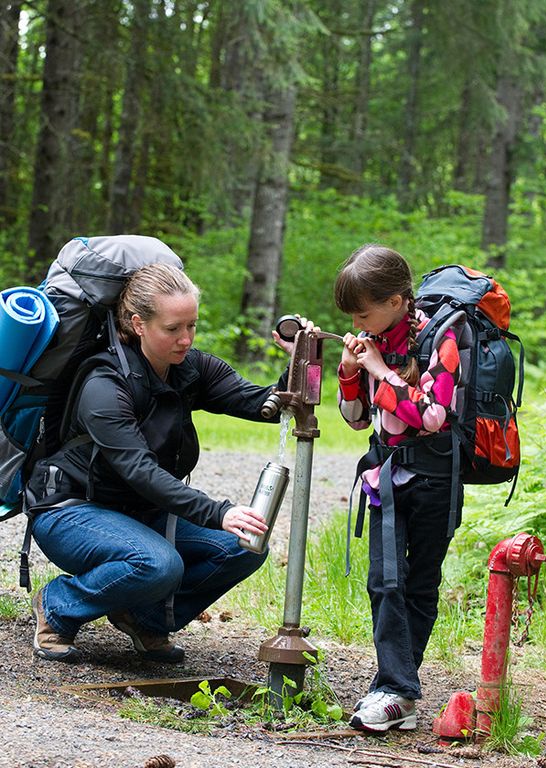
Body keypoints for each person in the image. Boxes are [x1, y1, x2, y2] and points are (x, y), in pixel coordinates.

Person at [27, 263, 303, 664]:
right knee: (158, 564)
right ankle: (58, 605)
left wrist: (299, 362)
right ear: (138, 324)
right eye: (173, 329)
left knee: (245, 547)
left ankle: (144, 618)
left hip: (139, 512)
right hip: (72, 511)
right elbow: (139, 470)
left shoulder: (191, 368)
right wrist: (219, 512)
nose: (186, 339)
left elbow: (260, 402)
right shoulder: (103, 385)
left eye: (191, 325)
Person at [334, 244, 463, 733]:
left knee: (420, 585)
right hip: (386, 475)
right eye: (353, 316)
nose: (360, 323)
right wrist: (350, 372)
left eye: (365, 312)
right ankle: (396, 690)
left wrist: (380, 372)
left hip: (434, 478)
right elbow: (356, 419)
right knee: (384, 579)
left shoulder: (442, 337)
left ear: (396, 300)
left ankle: (394, 691)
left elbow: (432, 415)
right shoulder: (374, 341)